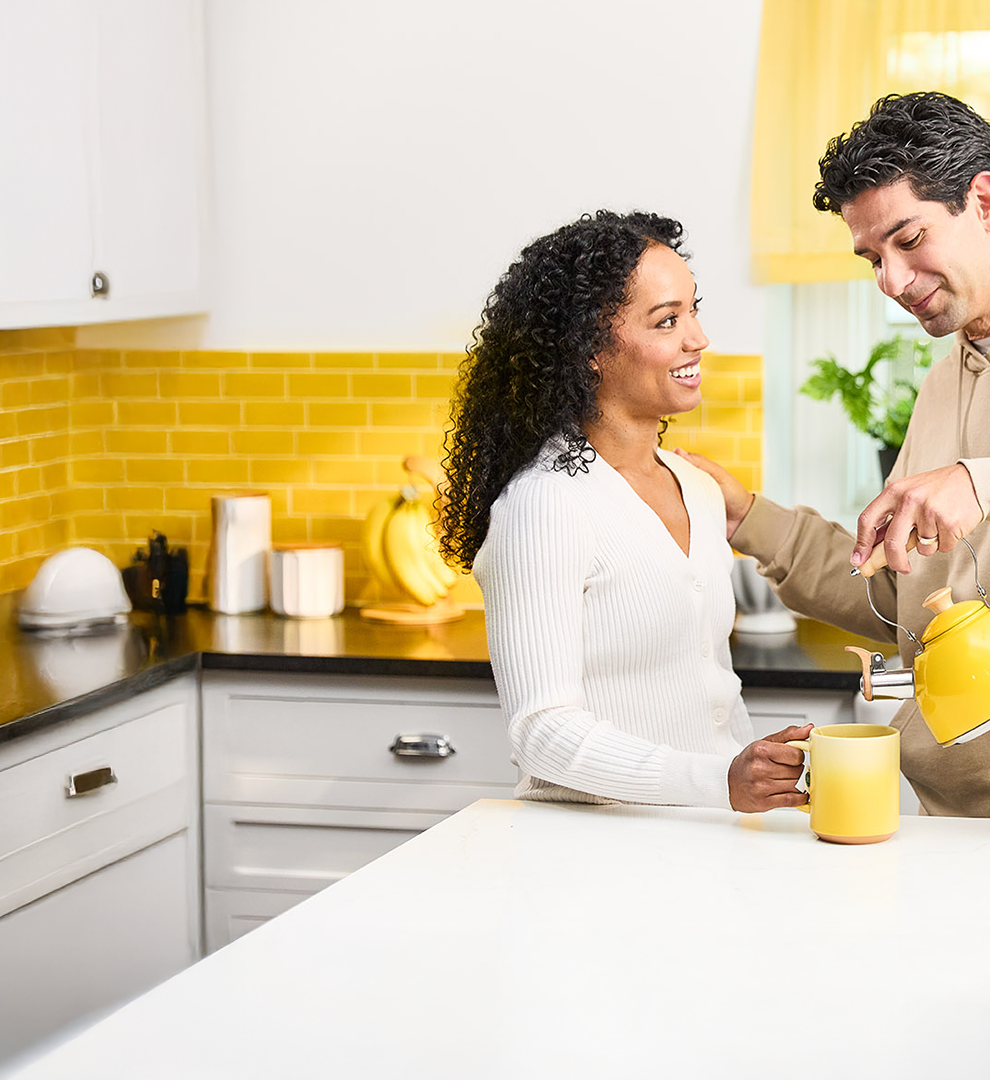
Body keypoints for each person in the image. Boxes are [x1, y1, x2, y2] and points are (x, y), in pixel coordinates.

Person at [678, 91, 990, 816]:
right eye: (873, 257)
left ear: (983, 199)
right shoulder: (948, 378)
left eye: (909, 240)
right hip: (959, 824)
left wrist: (981, 479)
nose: (891, 281)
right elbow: (900, 602)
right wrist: (746, 517)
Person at [439, 210, 810, 812]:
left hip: (706, 836)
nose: (698, 338)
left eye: (694, 309)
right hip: (595, 853)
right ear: (589, 350)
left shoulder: (698, 488)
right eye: (667, 320)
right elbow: (542, 732)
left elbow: (713, 688)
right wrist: (716, 781)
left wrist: (755, 767)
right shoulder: (546, 502)